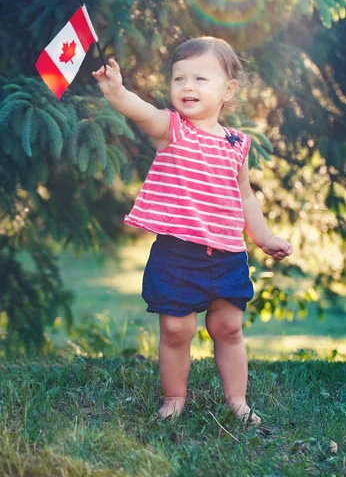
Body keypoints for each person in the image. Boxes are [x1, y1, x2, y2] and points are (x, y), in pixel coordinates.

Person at [92, 36, 292, 425]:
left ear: (227, 91)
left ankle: (238, 401)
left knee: (228, 326)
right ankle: (174, 399)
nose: (187, 87)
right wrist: (117, 93)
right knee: (176, 329)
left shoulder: (237, 143)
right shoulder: (174, 129)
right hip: (177, 254)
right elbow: (142, 111)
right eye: (179, 78)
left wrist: (264, 238)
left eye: (201, 79)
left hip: (227, 254)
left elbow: (245, 197)